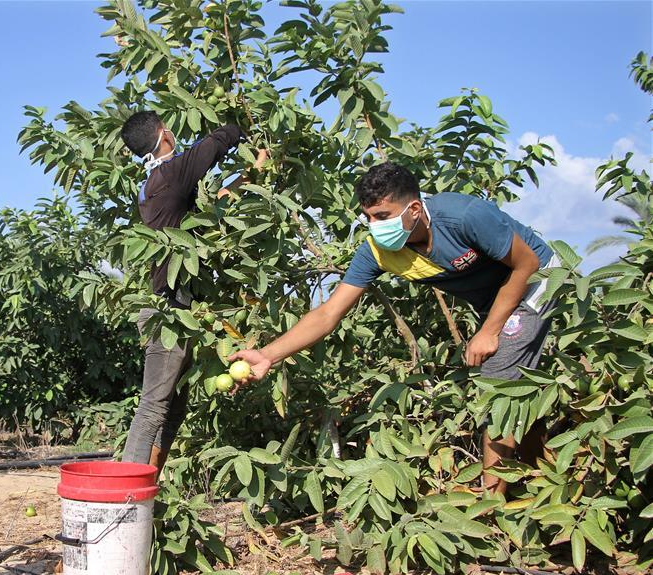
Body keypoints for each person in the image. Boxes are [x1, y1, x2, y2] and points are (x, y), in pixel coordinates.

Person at [230, 162, 558, 495]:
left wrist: (489, 330)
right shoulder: (378, 251)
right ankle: (541, 480)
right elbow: (328, 314)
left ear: (414, 209)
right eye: (368, 217)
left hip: (538, 281)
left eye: (383, 216)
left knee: (499, 386)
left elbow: (528, 262)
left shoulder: (464, 216)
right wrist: (267, 355)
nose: (374, 225)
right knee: (520, 392)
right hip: (496, 299)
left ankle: (490, 509)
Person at [119, 111, 267, 473]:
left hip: (180, 311)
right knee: (153, 406)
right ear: (163, 134)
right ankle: (123, 494)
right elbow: (218, 141)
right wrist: (247, 122)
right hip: (167, 314)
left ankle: (148, 486)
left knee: (174, 408)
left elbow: (215, 203)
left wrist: (252, 173)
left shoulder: (158, 183)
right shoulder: (172, 172)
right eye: (167, 127)